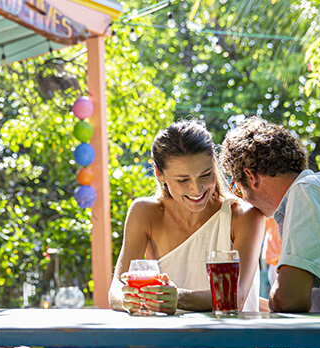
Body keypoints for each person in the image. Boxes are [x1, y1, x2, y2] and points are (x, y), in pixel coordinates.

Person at [109, 120, 265, 315]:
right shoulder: (144, 213)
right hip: (170, 341)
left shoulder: (244, 216)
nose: (197, 189)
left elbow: (235, 297)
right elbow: (117, 286)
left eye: (205, 175)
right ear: (159, 174)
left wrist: (178, 297)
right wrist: (128, 299)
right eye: (182, 180)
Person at [220, 116, 320, 313]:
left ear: (251, 176)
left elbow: (289, 300)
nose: (243, 199)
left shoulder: (308, 192)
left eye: (237, 189)